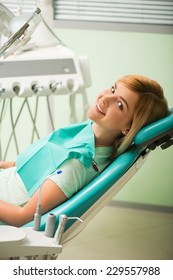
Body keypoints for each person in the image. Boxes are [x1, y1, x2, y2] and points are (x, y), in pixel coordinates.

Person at [0, 74, 168, 227]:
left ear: (128, 127)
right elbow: (36, 169)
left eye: (119, 105)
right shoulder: (87, 135)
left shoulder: (76, 166)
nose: (105, 98)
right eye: (112, 89)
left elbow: (20, 217)